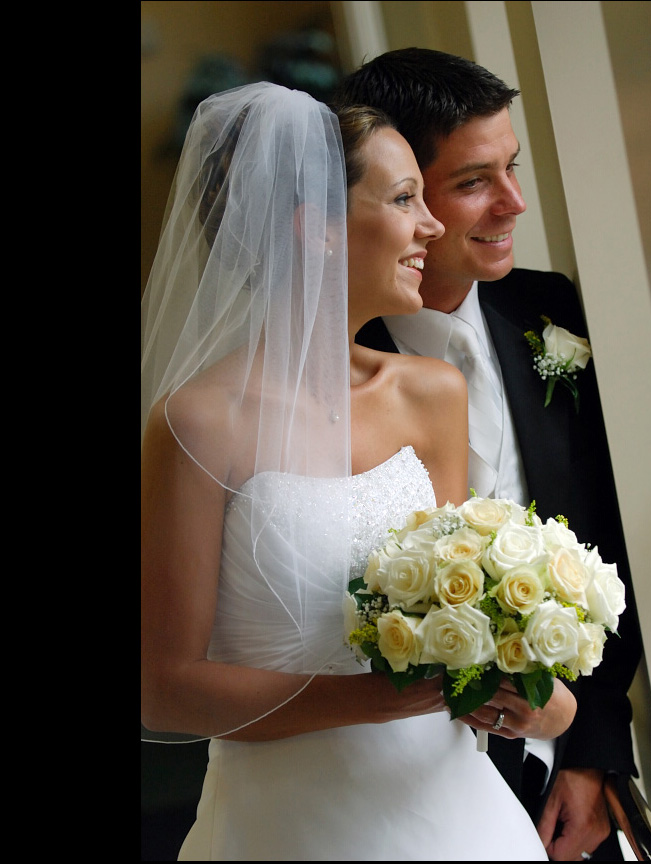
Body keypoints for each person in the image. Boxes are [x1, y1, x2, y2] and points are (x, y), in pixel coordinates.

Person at [141, 81, 562, 860]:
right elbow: (165, 686)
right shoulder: (195, 423)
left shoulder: (432, 394)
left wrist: (537, 691)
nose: (430, 225)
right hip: (290, 826)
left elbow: (457, 604)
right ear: (320, 231)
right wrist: (381, 698)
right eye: (405, 198)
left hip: (457, 816)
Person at [333, 48, 644, 861]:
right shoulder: (325, 364)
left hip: (564, 778)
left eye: (512, 168)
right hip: (396, 788)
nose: (514, 203)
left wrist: (593, 748)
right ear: (402, 192)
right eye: (474, 181)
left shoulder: (549, 311)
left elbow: (610, 538)